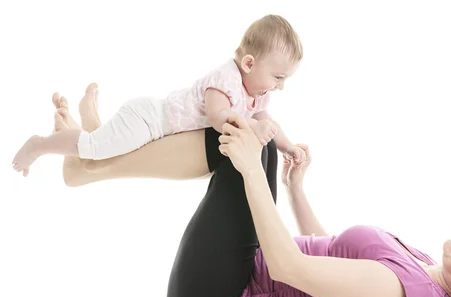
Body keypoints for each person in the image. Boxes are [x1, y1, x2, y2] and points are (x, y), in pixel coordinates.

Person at [50, 87, 451, 297]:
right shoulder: (425, 270)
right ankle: (96, 157)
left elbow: (291, 267)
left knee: (249, 141)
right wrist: (295, 189)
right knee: (256, 140)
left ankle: (92, 162)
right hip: (234, 285)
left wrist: (255, 168)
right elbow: (328, 252)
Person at [12, 14, 305, 177]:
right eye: (278, 77)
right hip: (149, 120)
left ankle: (87, 113)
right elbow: (218, 117)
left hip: (157, 128)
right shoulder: (225, 79)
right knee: (93, 149)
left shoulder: (256, 92)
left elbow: (269, 122)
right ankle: (39, 145)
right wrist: (253, 126)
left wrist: (288, 147)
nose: (280, 86)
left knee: (107, 144)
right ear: (249, 63)